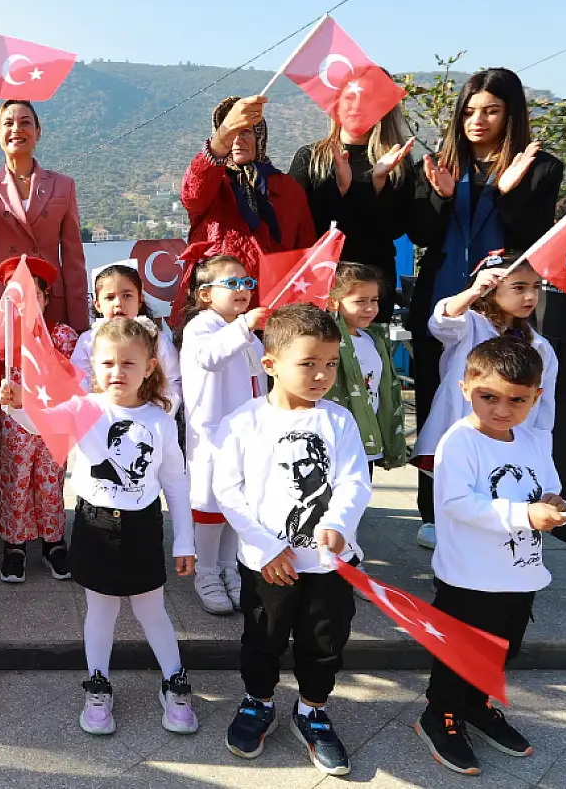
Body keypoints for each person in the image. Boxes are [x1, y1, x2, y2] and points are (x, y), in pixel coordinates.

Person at [0, 317, 198, 738]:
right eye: (108, 363)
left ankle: (174, 681)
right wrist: (15, 403)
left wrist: (185, 540)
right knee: (101, 611)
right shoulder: (85, 408)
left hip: (143, 527)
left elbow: (176, 484)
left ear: (149, 366)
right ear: (93, 364)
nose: (117, 372)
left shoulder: (161, 421)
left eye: (129, 363)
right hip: (95, 525)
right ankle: (98, 685)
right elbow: (40, 421)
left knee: (151, 610)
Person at [212, 304, 371, 778]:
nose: (321, 375)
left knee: (325, 640)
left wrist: (339, 524)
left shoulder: (338, 421)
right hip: (268, 565)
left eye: (329, 363)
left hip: (326, 565)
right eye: (307, 363)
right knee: (263, 637)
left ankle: (312, 710)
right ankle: (258, 702)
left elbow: (354, 481)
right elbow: (229, 492)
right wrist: (262, 548)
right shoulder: (243, 422)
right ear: (271, 364)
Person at [406, 68, 562, 530]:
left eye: (491, 110)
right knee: (440, 406)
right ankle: (434, 512)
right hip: (446, 302)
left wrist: (506, 192)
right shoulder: (438, 164)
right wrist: (442, 198)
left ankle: (499, 500)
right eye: (470, 111)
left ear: (510, 114)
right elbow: (420, 234)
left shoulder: (541, 166)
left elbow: (534, 237)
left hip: (505, 311)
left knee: (502, 405)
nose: (478, 120)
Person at [415, 338, 566, 776]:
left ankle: (476, 705)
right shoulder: (461, 442)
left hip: (520, 574)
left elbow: (547, 490)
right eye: (489, 397)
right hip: (470, 577)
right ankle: (439, 714)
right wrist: (524, 513)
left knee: (502, 649)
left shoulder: (535, 440)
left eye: (518, 400)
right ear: (466, 389)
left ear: (536, 397)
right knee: (457, 652)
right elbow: (457, 504)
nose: (503, 410)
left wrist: (554, 506)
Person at [412, 254, 557, 549]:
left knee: (499, 504)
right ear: (492, 288)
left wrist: (541, 451)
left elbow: (545, 409)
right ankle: (452, 574)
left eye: (536, 287)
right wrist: (474, 290)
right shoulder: (471, 326)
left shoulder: (541, 347)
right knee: (462, 505)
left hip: (512, 441)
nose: (530, 296)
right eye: (518, 287)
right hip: (470, 436)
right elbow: (442, 321)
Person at [178, 252, 269, 616]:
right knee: (210, 506)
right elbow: (211, 357)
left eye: (247, 283)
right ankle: (206, 572)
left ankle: (230, 568)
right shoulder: (201, 327)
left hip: (249, 436)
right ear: (204, 294)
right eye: (232, 283)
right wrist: (245, 326)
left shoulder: (247, 333)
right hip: (214, 436)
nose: (242, 289)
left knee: (238, 506)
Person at [0, 256, 80, 583]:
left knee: (50, 484)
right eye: (17, 294)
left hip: (52, 423)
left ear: (46, 298)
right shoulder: (1, 336)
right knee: (16, 482)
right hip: (15, 425)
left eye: (34, 294)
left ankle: (54, 543)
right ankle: (15, 545)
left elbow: (69, 381)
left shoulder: (61, 335)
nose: (27, 301)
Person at [178, 96, 316, 324]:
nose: (237, 140)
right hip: (218, 312)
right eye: (231, 132)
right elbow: (192, 195)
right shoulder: (212, 181)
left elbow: (306, 252)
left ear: (259, 137)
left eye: (246, 132)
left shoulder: (288, 189)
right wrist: (220, 139)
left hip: (273, 313)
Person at [0, 100, 90, 341]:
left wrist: (80, 323)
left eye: (25, 122)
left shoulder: (63, 185)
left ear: (38, 132)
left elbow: (73, 261)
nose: (16, 129)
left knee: (51, 376)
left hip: (49, 303)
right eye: (8, 123)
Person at [287, 96, 423, 321]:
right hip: (320, 280)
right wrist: (340, 189)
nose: (356, 107)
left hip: (372, 287)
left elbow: (395, 228)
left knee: (367, 353)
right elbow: (298, 223)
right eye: (349, 98)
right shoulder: (310, 157)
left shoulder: (397, 161)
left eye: (366, 100)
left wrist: (379, 183)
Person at [323, 264, 409, 474]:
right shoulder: (325, 340)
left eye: (374, 300)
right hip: (336, 441)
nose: (370, 308)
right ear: (333, 301)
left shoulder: (374, 338)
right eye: (360, 301)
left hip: (365, 440)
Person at [72, 263, 183, 412]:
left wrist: (158, 414)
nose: (118, 304)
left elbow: (172, 381)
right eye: (110, 297)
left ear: (140, 300)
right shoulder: (88, 340)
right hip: (101, 419)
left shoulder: (156, 339)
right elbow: (78, 381)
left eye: (127, 296)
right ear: (97, 304)